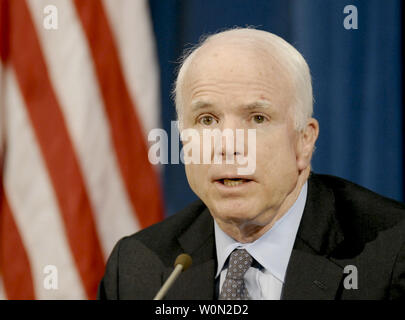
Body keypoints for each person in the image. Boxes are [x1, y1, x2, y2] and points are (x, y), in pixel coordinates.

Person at [98, 28, 405, 300]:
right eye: (207, 120)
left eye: (258, 118)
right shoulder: (139, 267)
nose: (228, 145)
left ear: (304, 141)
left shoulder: (392, 254)